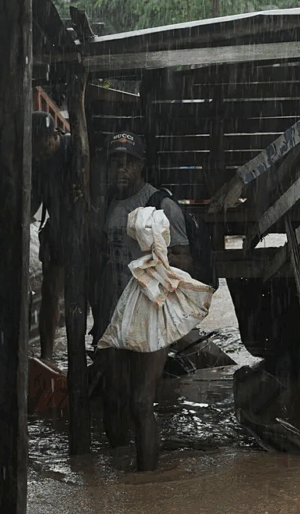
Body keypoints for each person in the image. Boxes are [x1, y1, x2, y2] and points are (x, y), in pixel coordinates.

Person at [97, 131, 193, 471]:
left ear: (141, 166)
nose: (121, 169)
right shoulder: (105, 203)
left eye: (129, 162)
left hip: (150, 315)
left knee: (140, 402)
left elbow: (182, 260)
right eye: (115, 162)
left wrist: (149, 273)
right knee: (113, 398)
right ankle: (122, 479)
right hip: (113, 316)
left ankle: (147, 487)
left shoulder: (161, 206)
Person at [30, 111, 72, 362]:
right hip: (56, 227)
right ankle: (47, 356)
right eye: (37, 151)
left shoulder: (75, 149)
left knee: (88, 292)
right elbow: (33, 199)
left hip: (83, 226)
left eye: (45, 148)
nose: (42, 155)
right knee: (50, 292)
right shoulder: (37, 160)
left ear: (55, 136)